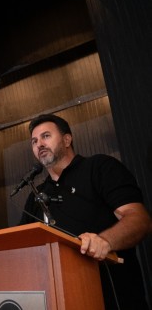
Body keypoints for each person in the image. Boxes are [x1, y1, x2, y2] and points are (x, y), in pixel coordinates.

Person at [19, 113, 151, 310]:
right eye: (34, 141)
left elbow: (139, 219)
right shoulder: (37, 195)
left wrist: (104, 241)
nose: (39, 145)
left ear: (67, 139)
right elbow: (23, 246)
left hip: (114, 296)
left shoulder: (99, 167)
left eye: (46, 136)